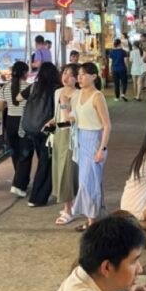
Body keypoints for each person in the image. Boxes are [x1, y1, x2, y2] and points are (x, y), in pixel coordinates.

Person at [14, 62, 61, 208]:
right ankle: (37, 197)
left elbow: (18, 98)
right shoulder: (57, 89)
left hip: (32, 130)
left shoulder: (34, 86)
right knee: (46, 165)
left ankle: (38, 194)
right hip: (48, 130)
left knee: (43, 162)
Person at [71, 62, 111, 232]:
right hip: (81, 140)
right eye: (79, 74)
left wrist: (102, 149)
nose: (80, 77)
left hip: (95, 141)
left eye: (84, 74)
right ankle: (92, 219)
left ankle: (92, 221)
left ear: (94, 76)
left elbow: (107, 125)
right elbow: (73, 117)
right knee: (89, 181)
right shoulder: (78, 95)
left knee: (87, 183)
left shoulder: (97, 96)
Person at [48, 63, 79, 226]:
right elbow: (57, 116)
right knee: (58, 169)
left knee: (67, 171)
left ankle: (69, 210)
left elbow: (71, 121)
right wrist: (50, 125)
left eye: (71, 74)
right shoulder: (57, 92)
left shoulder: (78, 95)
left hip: (71, 136)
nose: (66, 77)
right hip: (58, 135)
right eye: (64, 73)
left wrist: (64, 103)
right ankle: (69, 205)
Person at [0, 60, 29, 193]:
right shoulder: (28, 87)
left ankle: (18, 179)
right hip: (24, 122)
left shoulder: (5, 87)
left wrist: (8, 105)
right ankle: (20, 183)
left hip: (10, 122)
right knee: (25, 153)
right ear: (25, 73)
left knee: (15, 152)